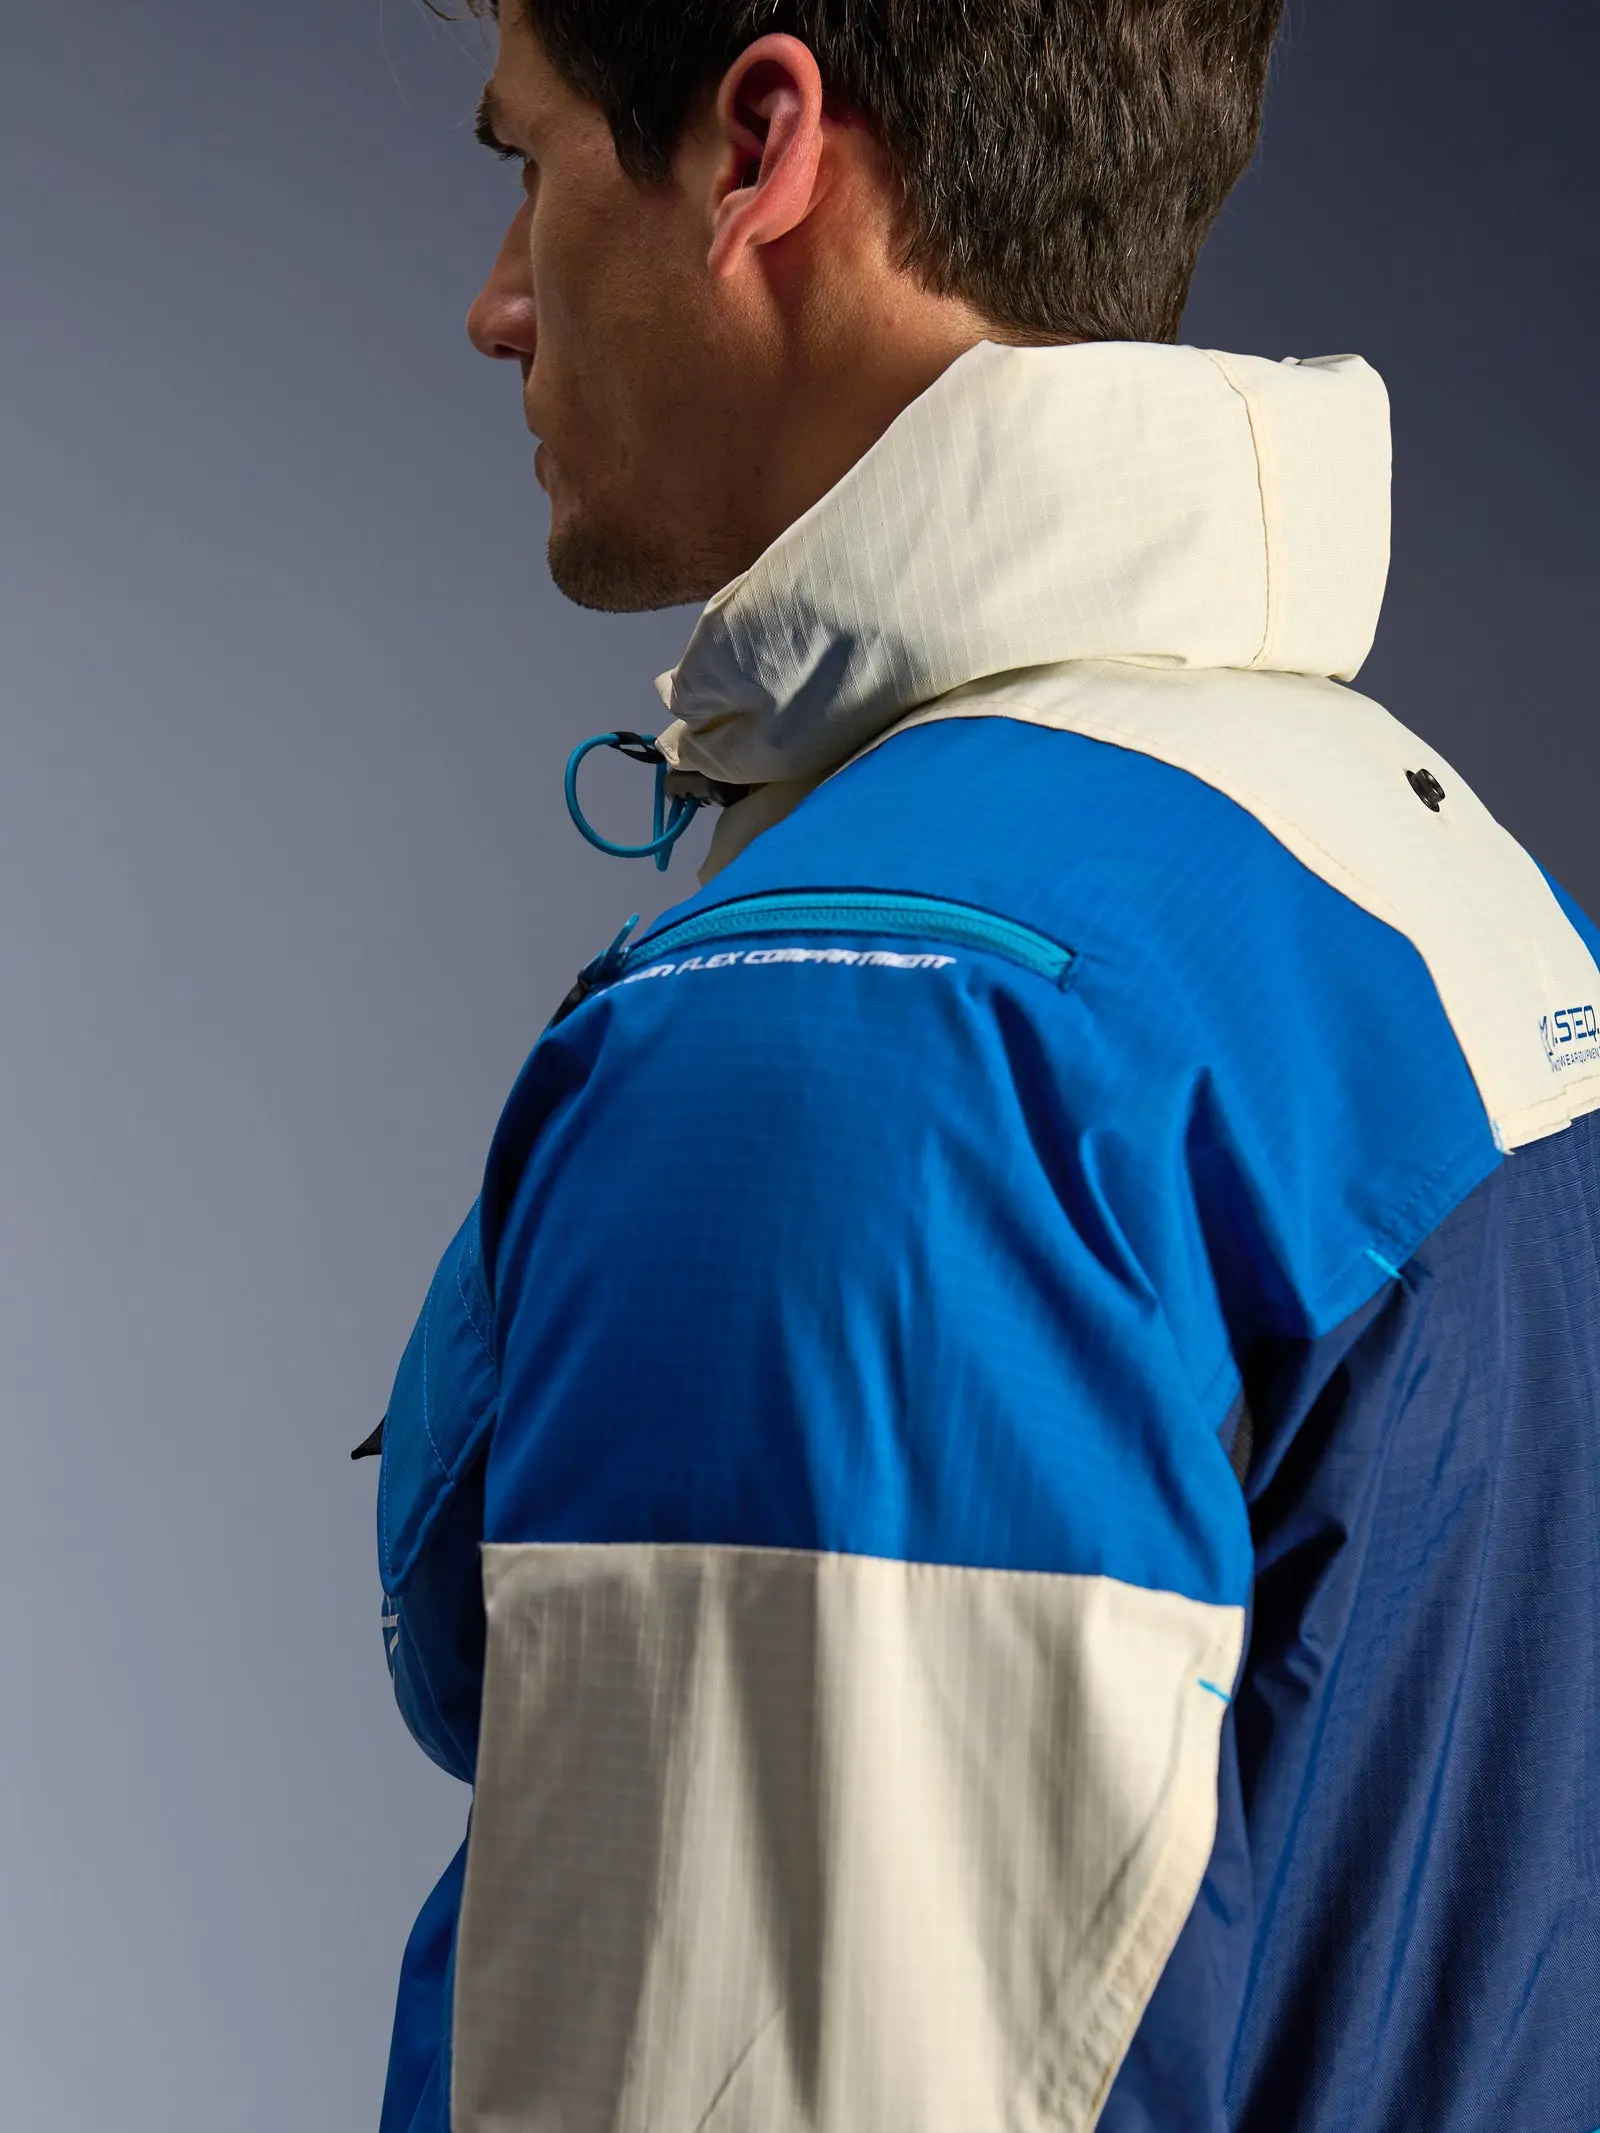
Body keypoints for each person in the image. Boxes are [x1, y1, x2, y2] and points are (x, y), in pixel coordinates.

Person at [362, 4, 1600, 2129]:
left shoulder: (861, 1052)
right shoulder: (1442, 882)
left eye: (527, 163)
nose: (495, 304)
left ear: (758, 145)